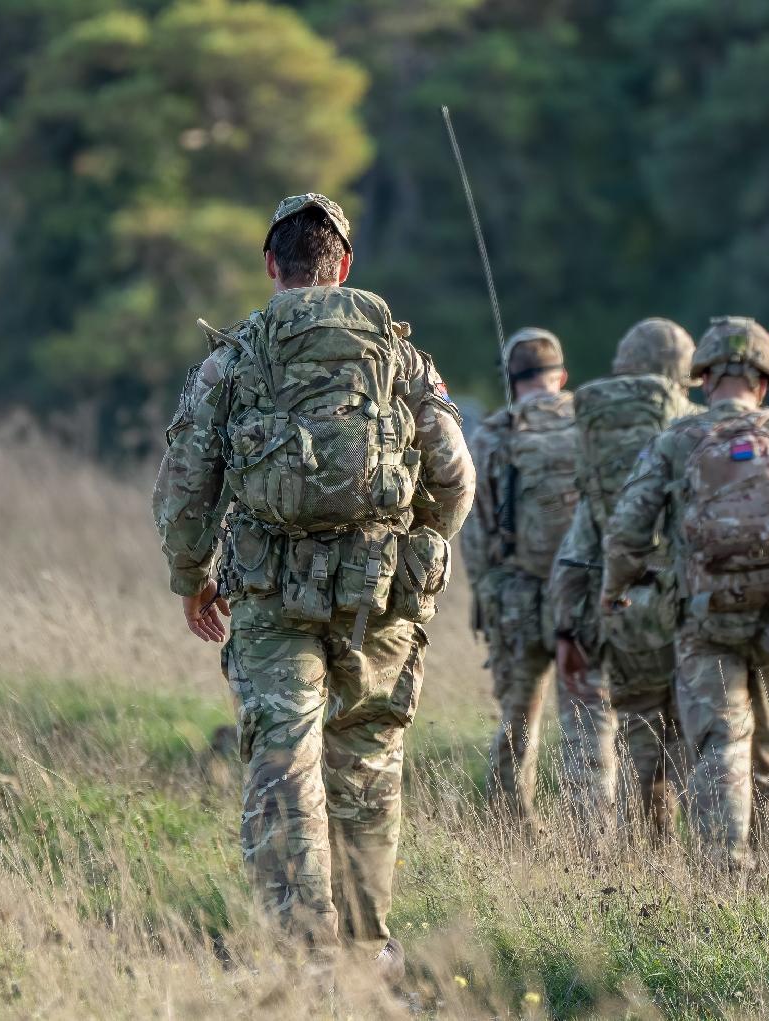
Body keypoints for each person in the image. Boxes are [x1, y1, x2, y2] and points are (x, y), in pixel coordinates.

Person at [152, 193, 474, 969]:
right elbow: (455, 477)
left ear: (272, 264)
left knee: (281, 762)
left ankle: (302, 952)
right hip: (378, 596)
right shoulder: (400, 356)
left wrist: (194, 578)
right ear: (345, 264)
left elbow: (185, 490)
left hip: (268, 601)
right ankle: (368, 950)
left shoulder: (234, 356)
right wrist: (419, 543)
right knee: (365, 763)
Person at [604, 316, 769, 870]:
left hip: (707, 621)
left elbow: (628, 528)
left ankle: (725, 885)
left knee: (719, 745)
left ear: (703, 380)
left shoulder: (677, 441)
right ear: (767, 382)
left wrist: (617, 589)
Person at [550, 317, 699, 839]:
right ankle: (664, 843)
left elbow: (583, 522)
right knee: (672, 727)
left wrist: (567, 617)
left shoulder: (590, 422)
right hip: (664, 598)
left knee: (592, 724)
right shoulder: (693, 425)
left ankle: (595, 845)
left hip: (592, 588)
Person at [461, 327, 614, 827]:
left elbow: (475, 528)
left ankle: (509, 827)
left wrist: (486, 596)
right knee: (589, 713)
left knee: (517, 717)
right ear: (562, 376)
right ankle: (591, 833)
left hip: (516, 597)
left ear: (511, 380)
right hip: (585, 597)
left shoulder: (492, 436)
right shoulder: (592, 426)